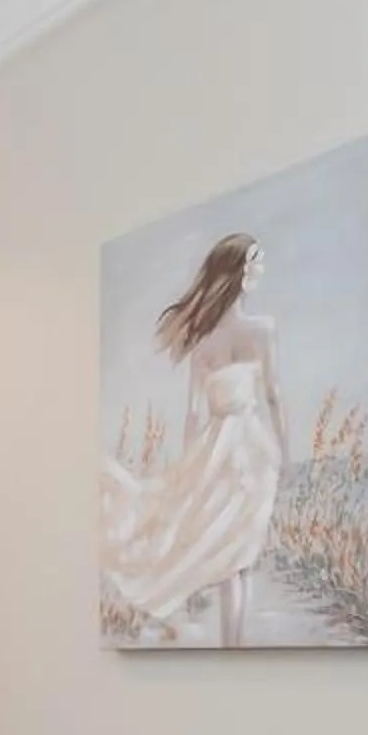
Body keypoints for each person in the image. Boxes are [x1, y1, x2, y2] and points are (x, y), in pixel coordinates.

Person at [102, 233, 289, 646]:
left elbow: (193, 413)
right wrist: (286, 451)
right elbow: (272, 395)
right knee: (237, 556)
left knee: (236, 554)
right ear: (236, 270)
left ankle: (232, 643)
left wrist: (190, 468)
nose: (259, 269)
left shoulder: (204, 341)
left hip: (224, 449)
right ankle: (233, 644)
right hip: (249, 448)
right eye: (253, 261)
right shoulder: (261, 331)